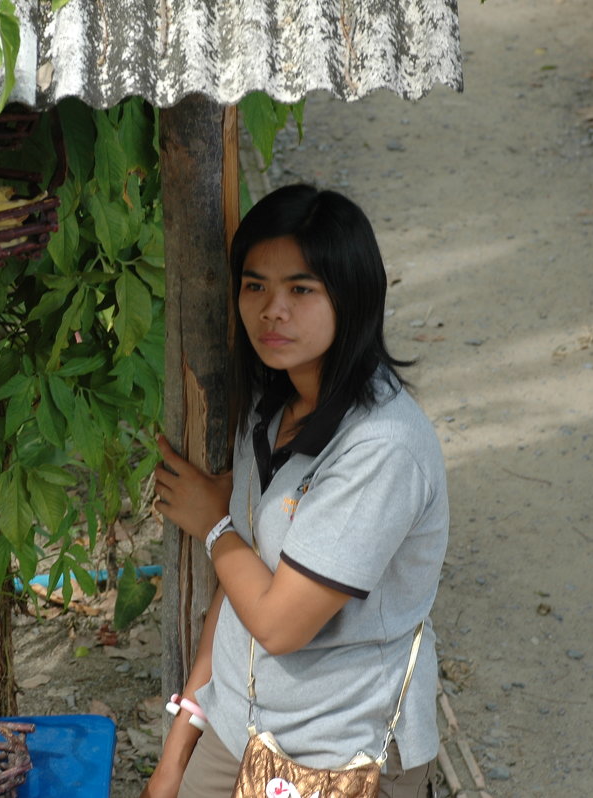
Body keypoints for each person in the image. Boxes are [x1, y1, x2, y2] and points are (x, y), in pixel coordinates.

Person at [144, 184, 449, 798]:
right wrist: (176, 753)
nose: (272, 310)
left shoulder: (382, 448)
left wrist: (214, 524)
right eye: (255, 286)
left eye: (301, 290)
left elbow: (279, 623)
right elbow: (240, 589)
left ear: (352, 298)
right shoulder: (272, 402)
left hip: (339, 754)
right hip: (237, 727)